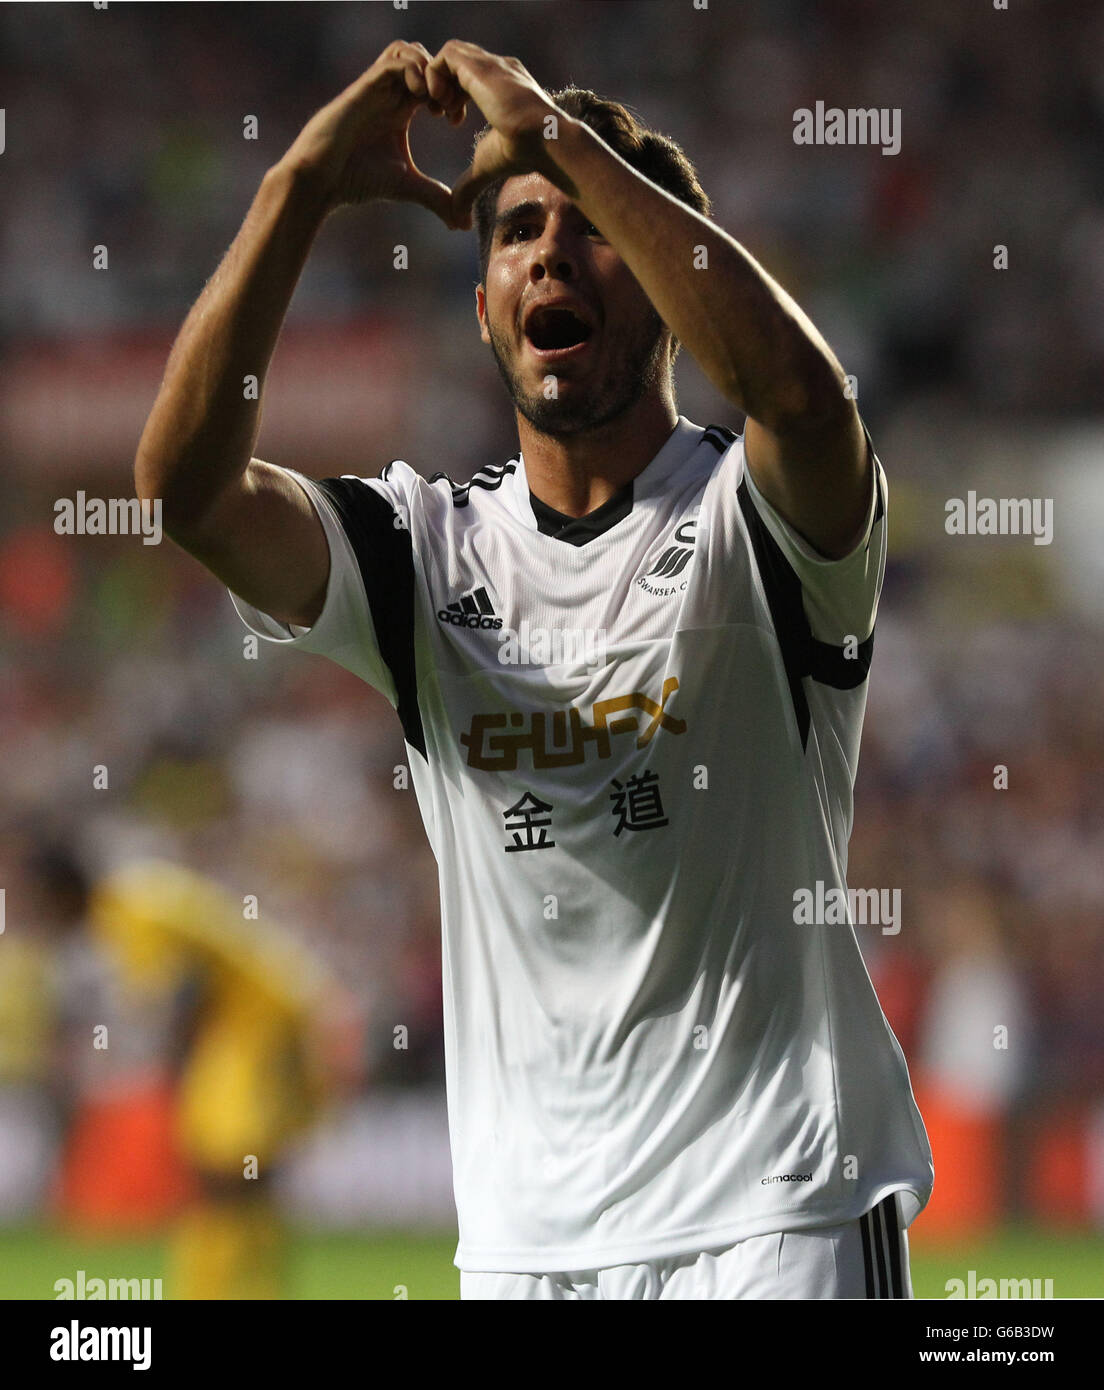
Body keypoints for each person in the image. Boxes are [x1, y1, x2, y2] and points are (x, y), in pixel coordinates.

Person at [135, 38, 933, 1300]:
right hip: (528, 1255)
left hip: (780, 1218)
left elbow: (803, 396)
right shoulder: (421, 549)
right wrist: (297, 186)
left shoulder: (760, 518)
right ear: (484, 305)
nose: (549, 252)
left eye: (589, 226)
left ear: (668, 282)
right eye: (514, 234)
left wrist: (556, 133)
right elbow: (185, 490)